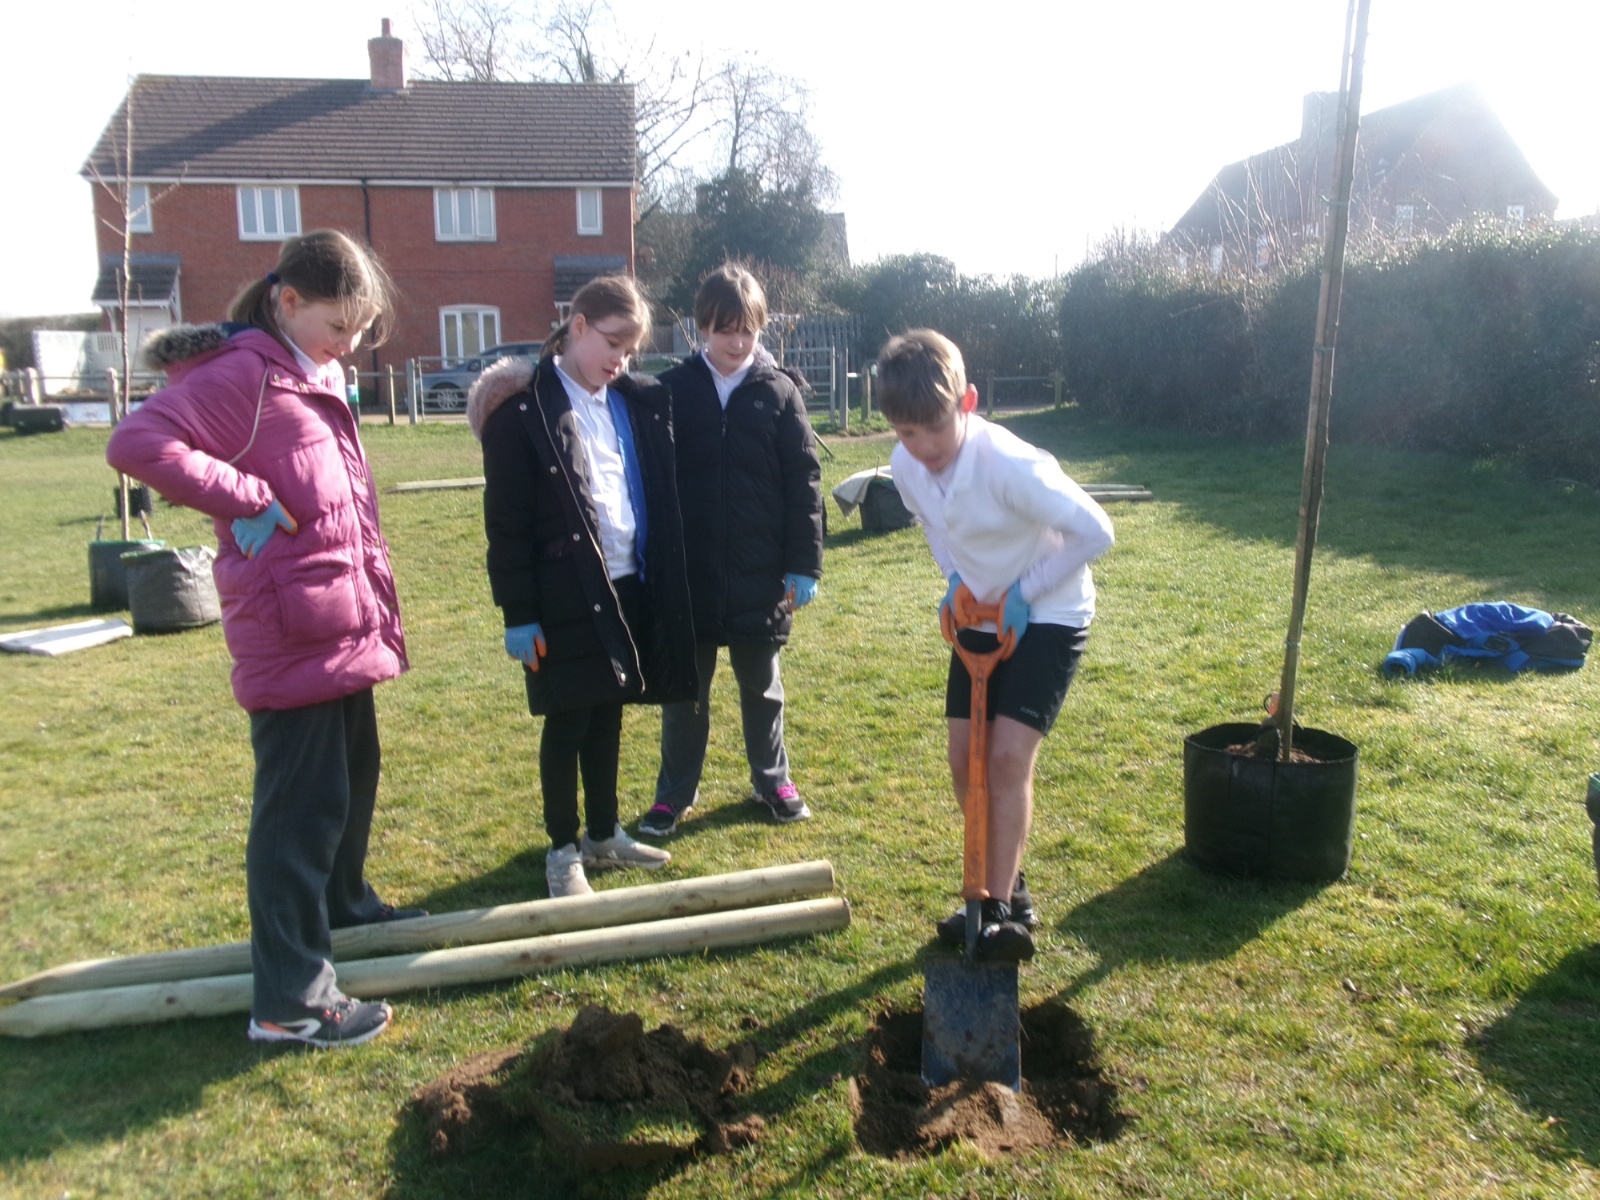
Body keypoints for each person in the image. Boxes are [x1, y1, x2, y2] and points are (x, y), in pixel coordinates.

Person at [106, 229, 415, 1048]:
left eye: (358, 330)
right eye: (337, 326)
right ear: (287, 301)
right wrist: (243, 494)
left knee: (349, 781)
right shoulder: (245, 373)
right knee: (296, 815)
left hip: (338, 622)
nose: (347, 344)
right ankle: (290, 1001)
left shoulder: (311, 373)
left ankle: (346, 908)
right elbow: (136, 443)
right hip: (289, 632)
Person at [878, 329, 1114, 961]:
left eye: (935, 429)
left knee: (1007, 757)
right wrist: (955, 579)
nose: (924, 448)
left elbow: (1097, 530)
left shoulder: (1010, 465)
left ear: (968, 402)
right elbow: (934, 527)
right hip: (980, 611)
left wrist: (1026, 592)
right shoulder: (906, 466)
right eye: (907, 433)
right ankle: (1006, 882)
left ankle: (998, 908)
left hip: (1051, 610)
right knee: (965, 760)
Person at [470, 274, 698, 898]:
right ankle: (562, 849)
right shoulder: (523, 414)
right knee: (568, 720)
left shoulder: (629, 403)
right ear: (577, 327)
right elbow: (507, 525)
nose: (621, 359)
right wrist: (519, 612)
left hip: (625, 584)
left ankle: (603, 833)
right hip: (561, 597)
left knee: (607, 714)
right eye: (612, 342)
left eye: (631, 349)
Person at [636, 263, 824, 838]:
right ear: (702, 328)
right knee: (684, 693)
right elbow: (647, 480)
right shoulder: (670, 391)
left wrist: (803, 565)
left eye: (747, 330)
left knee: (762, 687)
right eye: (724, 330)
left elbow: (804, 484)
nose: (737, 342)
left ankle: (773, 781)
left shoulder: (780, 393)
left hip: (759, 575)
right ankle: (674, 795)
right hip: (688, 575)